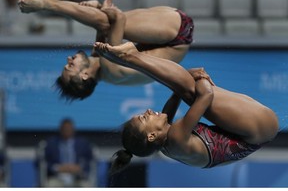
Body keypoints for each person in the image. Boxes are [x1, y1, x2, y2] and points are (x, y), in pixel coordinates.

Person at [92, 41, 279, 175]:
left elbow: (175, 97)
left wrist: (191, 76)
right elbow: (206, 95)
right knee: (190, 90)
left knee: (185, 90)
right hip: (256, 129)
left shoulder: (166, 144)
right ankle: (131, 57)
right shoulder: (175, 138)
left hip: (255, 132)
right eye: (143, 118)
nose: (148, 111)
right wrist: (202, 77)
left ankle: (132, 58)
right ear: (151, 135)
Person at [17, 0, 194, 101]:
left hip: (172, 32)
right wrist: (100, 9)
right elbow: (117, 19)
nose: (69, 58)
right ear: (85, 75)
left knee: (104, 22)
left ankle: (50, 3)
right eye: (71, 65)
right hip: (176, 35)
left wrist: (99, 7)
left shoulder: (102, 62)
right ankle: (49, 3)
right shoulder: (111, 67)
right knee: (106, 23)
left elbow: (108, 23)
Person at [44, 118, 94, 187]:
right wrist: (58, 168)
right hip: (58, 177)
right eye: (65, 128)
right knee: (50, 185)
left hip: (77, 177)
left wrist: (79, 167)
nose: (67, 130)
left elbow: (89, 159)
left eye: (69, 128)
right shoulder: (52, 143)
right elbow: (46, 162)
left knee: (86, 186)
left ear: (73, 129)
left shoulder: (83, 143)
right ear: (61, 129)